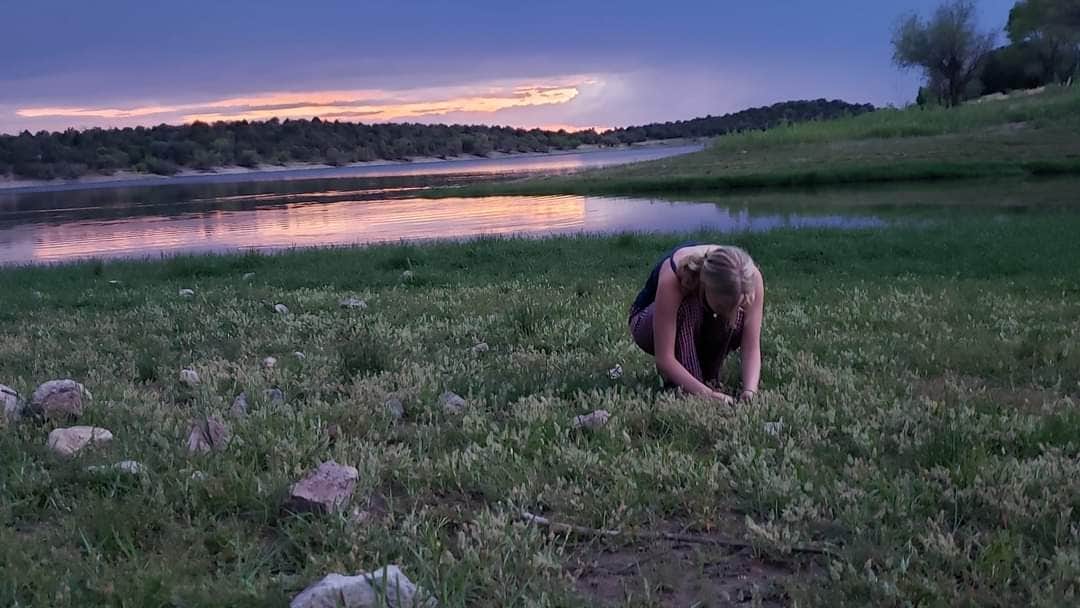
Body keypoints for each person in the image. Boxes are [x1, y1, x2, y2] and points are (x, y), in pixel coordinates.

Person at [628, 243, 763, 404]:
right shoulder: (674, 276)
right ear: (706, 286)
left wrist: (750, 391)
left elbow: (751, 346)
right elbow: (664, 358)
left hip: (700, 321)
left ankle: (706, 378)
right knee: (689, 307)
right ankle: (691, 388)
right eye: (721, 306)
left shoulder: (749, 278)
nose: (728, 313)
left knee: (738, 315)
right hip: (646, 323)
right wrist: (709, 396)